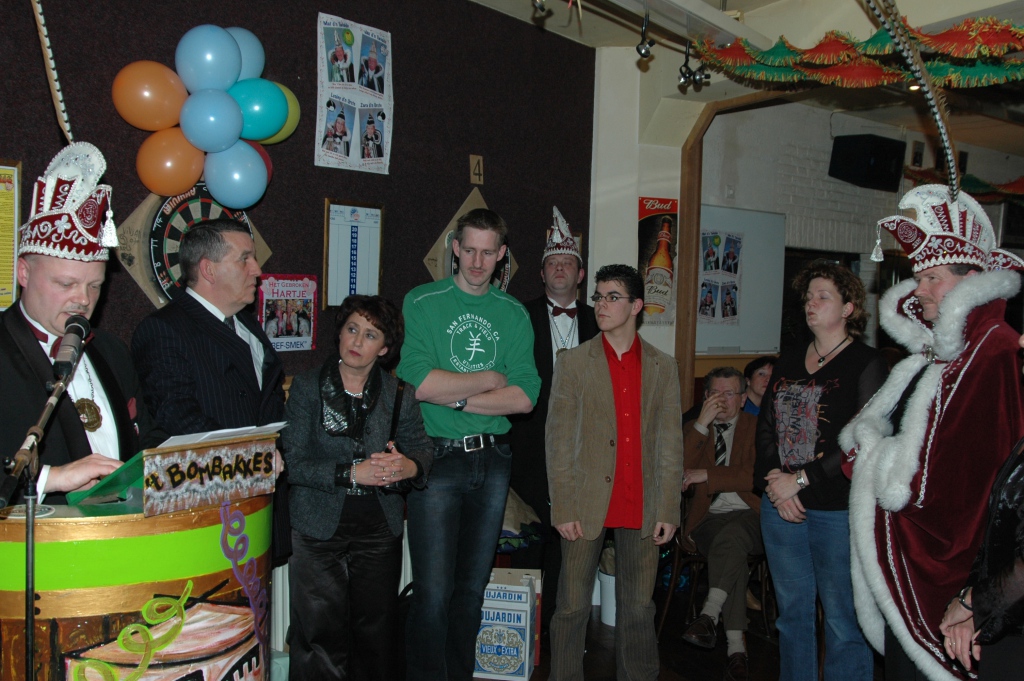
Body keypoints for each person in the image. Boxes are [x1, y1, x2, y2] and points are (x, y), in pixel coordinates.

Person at [840, 185, 1024, 681]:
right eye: (918, 277)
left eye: (931, 278)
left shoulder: (993, 350)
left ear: (971, 283)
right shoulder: (939, 355)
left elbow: (967, 478)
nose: (918, 289)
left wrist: (875, 462)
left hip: (953, 563)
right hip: (919, 550)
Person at [396, 208, 541, 681]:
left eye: (488, 252)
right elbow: (419, 383)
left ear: (502, 255)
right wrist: (489, 379)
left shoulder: (513, 313)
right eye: (470, 250)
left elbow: (524, 397)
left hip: (493, 460)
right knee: (433, 593)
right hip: (436, 458)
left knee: (472, 591)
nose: (478, 262)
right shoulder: (422, 301)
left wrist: (457, 397)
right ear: (455, 248)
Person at [0, 142, 163, 504]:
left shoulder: (111, 350)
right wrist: (51, 478)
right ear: (24, 273)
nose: (84, 300)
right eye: (65, 284)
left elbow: (147, 438)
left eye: (94, 286)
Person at [546, 264, 684, 681]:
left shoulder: (663, 366)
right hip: (585, 501)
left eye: (612, 297)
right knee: (572, 606)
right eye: (598, 297)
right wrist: (563, 506)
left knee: (639, 607)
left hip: (641, 500)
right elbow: (558, 441)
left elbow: (670, 444)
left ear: (636, 306)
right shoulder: (573, 363)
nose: (601, 305)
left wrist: (669, 507)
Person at [284, 295, 432, 681]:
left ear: (383, 348)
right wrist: (352, 473)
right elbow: (295, 465)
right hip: (317, 529)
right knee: (318, 634)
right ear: (339, 334)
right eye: (352, 329)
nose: (357, 341)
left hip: (378, 530)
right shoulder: (306, 388)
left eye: (370, 335)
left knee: (375, 635)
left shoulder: (400, 394)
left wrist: (409, 466)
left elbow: (423, 451)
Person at [754, 260, 887, 681]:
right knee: (792, 616)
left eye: (823, 296)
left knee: (843, 620)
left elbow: (861, 439)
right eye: (808, 297)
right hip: (780, 505)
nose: (811, 303)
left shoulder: (867, 362)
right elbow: (766, 427)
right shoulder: (790, 359)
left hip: (836, 509)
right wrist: (776, 484)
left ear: (848, 308)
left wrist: (799, 481)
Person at [131, 219, 288, 556]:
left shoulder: (247, 324)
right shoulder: (164, 329)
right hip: (207, 516)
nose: (257, 270)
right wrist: (250, 459)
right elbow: (177, 416)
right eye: (244, 259)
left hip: (260, 506)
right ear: (209, 269)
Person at [508, 206, 599, 636]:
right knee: (530, 542)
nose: (560, 269)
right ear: (542, 273)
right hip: (529, 450)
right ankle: (525, 635)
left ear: (580, 275)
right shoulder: (518, 316)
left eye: (567, 263)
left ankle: (563, 633)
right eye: (552, 263)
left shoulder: (601, 321)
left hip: (583, 453)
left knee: (573, 546)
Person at [939, 333, 1024, 680]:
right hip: (1008, 616)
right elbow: (999, 533)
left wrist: (973, 602)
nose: (1022, 339)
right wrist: (973, 605)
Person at [681, 366, 763, 681]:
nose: (723, 400)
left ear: (742, 399)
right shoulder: (695, 430)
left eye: (730, 394)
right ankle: (735, 650)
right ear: (706, 398)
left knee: (733, 538)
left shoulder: (758, 427)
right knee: (730, 546)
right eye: (716, 393)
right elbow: (678, 471)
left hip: (752, 514)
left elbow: (755, 475)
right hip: (709, 518)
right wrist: (701, 424)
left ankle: (710, 616)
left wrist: (708, 475)